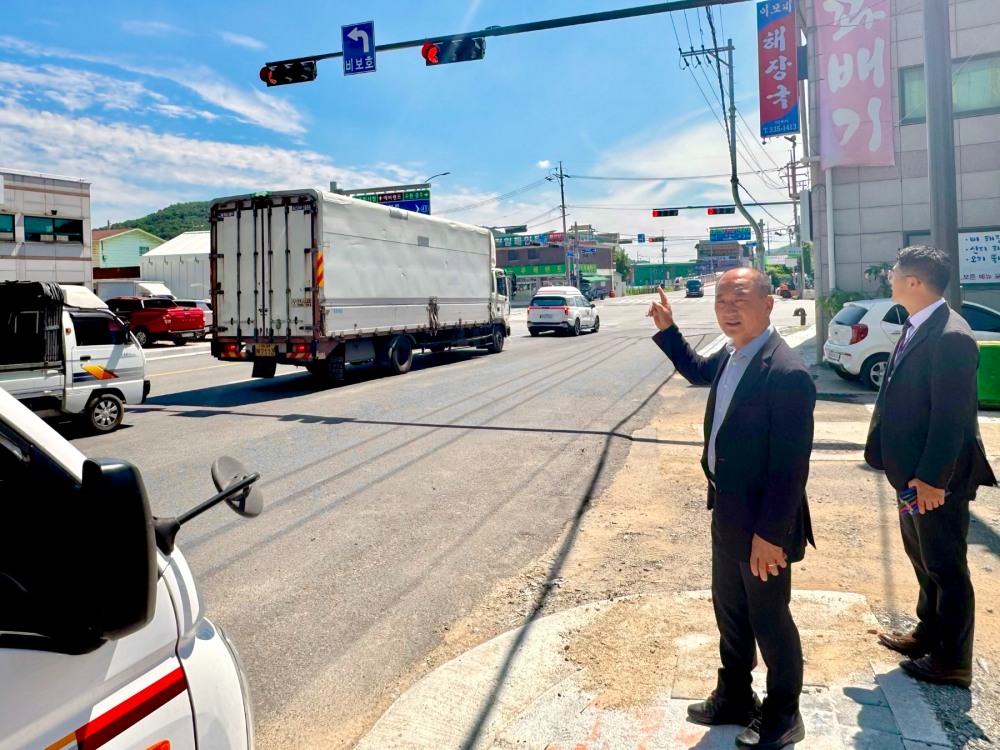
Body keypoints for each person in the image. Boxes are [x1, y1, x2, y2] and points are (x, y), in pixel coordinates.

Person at [647, 268, 815, 749]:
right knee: (731, 612)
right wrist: (668, 329)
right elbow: (698, 369)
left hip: (765, 522)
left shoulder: (786, 372)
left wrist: (770, 536)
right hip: (728, 510)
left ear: (769, 302)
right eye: (721, 299)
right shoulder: (733, 355)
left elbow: (790, 470)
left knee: (770, 619)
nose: (727, 307)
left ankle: (784, 714)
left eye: (739, 296)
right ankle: (736, 696)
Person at [865, 245, 996, 689]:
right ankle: (927, 632)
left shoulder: (951, 336)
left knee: (946, 566)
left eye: (895, 272)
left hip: (934, 482)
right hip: (911, 479)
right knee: (922, 557)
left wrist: (932, 480)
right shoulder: (919, 324)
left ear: (915, 283)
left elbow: (951, 419)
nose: (890, 278)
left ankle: (953, 659)